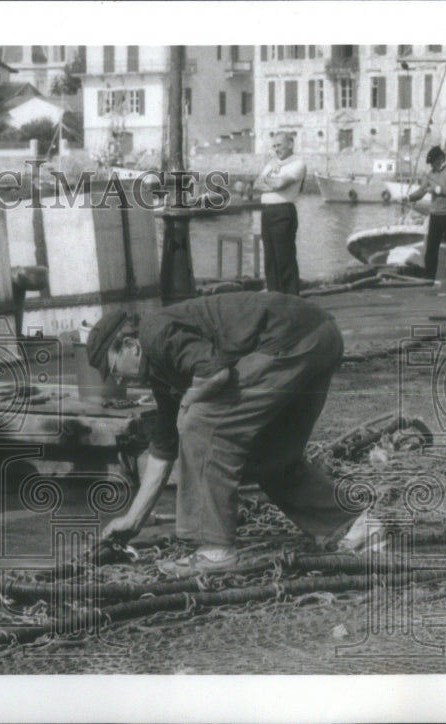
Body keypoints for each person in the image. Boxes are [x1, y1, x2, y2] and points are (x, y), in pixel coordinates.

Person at [86, 292, 378, 577]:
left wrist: (187, 402)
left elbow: (215, 374)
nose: (118, 381)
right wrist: (133, 519)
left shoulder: (155, 333)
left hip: (290, 340)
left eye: (113, 370)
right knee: (268, 453)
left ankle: (214, 550)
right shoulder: (162, 372)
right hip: (319, 338)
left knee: (201, 423)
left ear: (129, 345)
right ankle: (353, 524)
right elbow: (163, 450)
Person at [255, 132, 307, 295]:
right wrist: (273, 183)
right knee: (270, 258)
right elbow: (257, 184)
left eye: (279, 145)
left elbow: (281, 183)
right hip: (267, 212)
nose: (276, 149)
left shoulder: (298, 164)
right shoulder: (271, 164)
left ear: (290, 144)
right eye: (274, 146)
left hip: (283, 211)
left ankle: (291, 296)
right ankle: (274, 294)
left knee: (284, 257)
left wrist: (269, 180)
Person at [404, 145, 446, 286]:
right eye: (430, 164)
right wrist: (408, 198)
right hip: (435, 215)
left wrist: (438, 190)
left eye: (434, 163)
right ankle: (428, 279)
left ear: (441, 159)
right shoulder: (430, 174)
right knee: (431, 250)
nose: (432, 166)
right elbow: (422, 191)